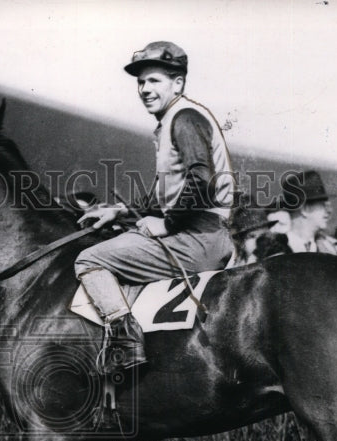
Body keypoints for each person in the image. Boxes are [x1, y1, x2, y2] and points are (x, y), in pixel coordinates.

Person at [75, 41, 236, 371]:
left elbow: (201, 179)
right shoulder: (174, 119)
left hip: (197, 236)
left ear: (177, 84)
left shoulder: (185, 118)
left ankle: (126, 342)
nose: (145, 89)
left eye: (154, 81)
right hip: (202, 232)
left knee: (89, 258)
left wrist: (168, 224)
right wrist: (118, 211)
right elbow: (167, 192)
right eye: (141, 82)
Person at [277, 170, 337, 254]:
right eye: (322, 205)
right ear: (305, 209)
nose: (327, 212)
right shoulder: (272, 251)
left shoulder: (329, 251)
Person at [228, 201, 277, 266]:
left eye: (263, 235)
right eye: (251, 237)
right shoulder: (235, 267)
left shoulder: (277, 259)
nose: (258, 241)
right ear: (242, 242)